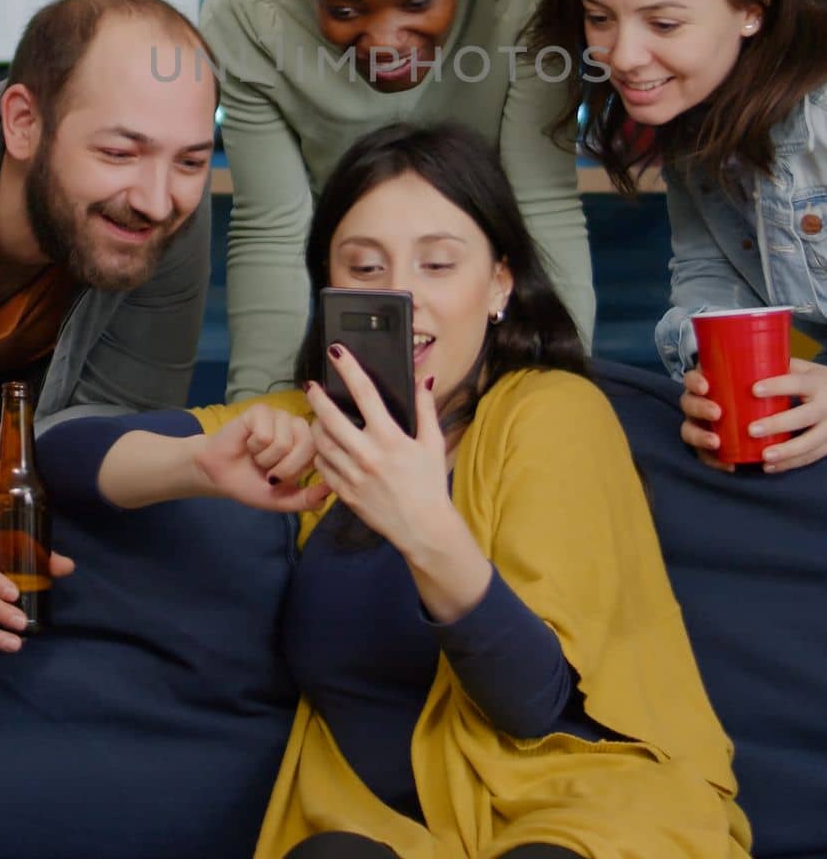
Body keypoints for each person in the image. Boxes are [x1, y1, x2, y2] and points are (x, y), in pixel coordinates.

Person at [73, 121, 751, 859]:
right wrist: (200, 462)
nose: (401, 297)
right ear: (329, 291)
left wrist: (425, 526)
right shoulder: (312, 425)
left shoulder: (550, 411)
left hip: (574, 806)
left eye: (437, 265)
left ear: (498, 284)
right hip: (388, 831)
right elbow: (69, 452)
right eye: (365, 269)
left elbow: (532, 703)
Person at [201, 0, 594, 401]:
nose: (386, 41)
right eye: (345, 10)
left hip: (476, 285)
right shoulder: (249, 8)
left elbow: (542, 203)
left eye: (417, 2)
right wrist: (262, 409)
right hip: (358, 282)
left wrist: (567, 402)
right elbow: (272, 230)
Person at [528, 0, 827, 474]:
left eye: (663, 23)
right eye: (599, 17)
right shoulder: (707, 112)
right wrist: (708, 374)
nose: (623, 57)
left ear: (754, 4)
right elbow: (709, 273)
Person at [0, 0, 217, 648]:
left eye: (191, 161)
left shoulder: (168, 211)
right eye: (119, 152)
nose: (155, 200)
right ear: (25, 122)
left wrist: (18, 449)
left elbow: (130, 412)